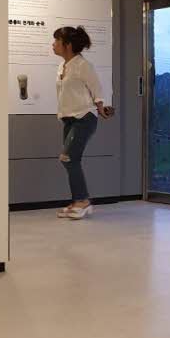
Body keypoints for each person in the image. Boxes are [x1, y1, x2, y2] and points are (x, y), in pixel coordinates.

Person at [52, 26, 113, 220]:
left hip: (84, 117)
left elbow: (97, 89)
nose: (53, 44)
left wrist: (101, 107)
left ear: (68, 45)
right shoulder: (62, 66)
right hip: (68, 118)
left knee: (68, 158)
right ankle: (77, 201)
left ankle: (82, 201)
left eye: (57, 40)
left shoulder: (83, 65)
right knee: (71, 160)